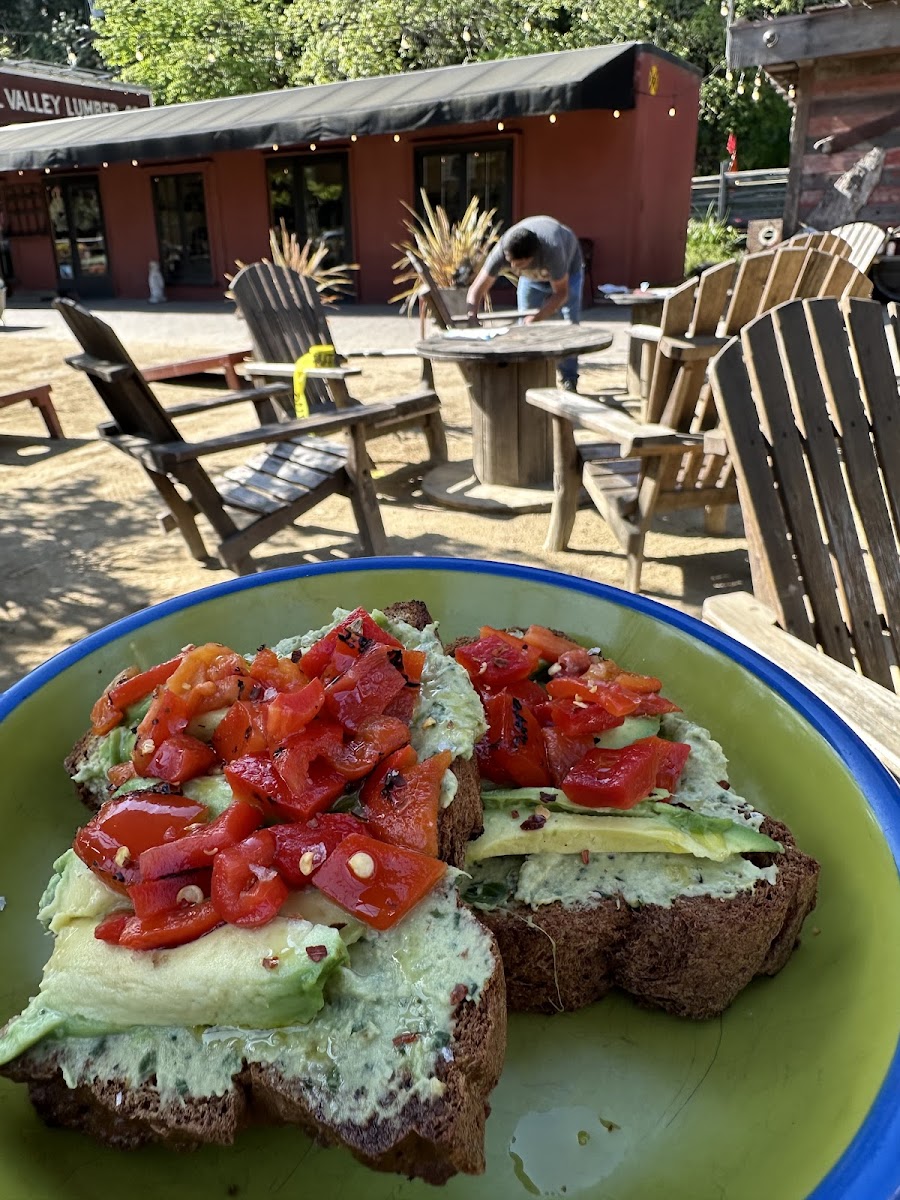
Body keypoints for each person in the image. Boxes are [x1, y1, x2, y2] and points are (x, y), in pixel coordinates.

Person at [466, 215, 585, 391]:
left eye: (519, 264)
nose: (513, 267)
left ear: (533, 256)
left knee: (570, 324)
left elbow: (561, 294)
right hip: (532, 280)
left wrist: (537, 317)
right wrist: (472, 318)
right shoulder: (503, 249)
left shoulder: (553, 250)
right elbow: (476, 290)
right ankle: (526, 375)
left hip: (568, 273)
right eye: (510, 262)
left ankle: (569, 378)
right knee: (524, 326)